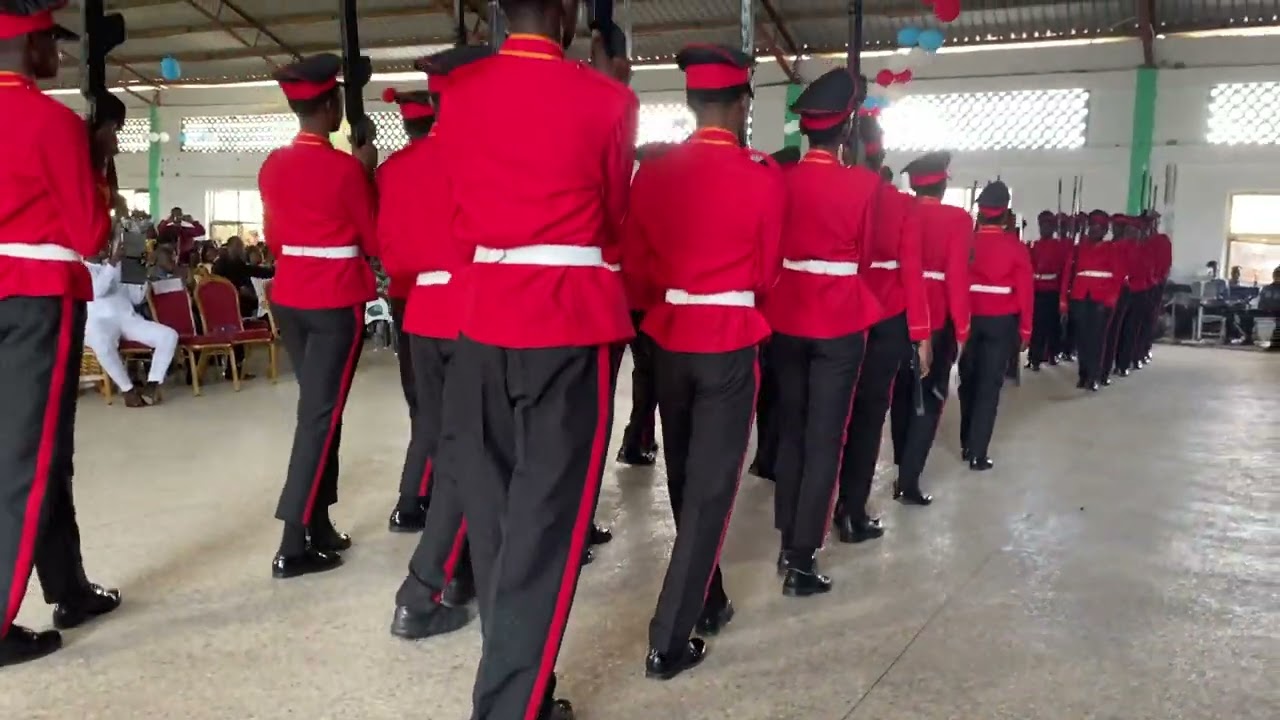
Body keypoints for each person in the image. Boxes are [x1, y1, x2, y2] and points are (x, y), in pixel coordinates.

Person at [435, 3, 636, 716]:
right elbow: (615, 219)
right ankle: (510, 706)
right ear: (567, 14)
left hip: (486, 312)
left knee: (493, 519)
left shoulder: (459, 95)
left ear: (499, 12)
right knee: (547, 524)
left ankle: (527, 687)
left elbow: (458, 216)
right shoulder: (609, 99)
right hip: (569, 316)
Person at [623, 42, 781, 679]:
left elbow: (636, 270)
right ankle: (670, 635)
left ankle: (708, 594)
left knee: (687, 474)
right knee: (712, 488)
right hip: (727, 336)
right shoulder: (762, 176)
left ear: (690, 103)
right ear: (742, 102)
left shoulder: (653, 174)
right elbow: (768, 272)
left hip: (668, 334)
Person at [0, 0, 122, 668]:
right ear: (36, 48)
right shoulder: (51, 122)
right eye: (55, 45)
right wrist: (98, 160)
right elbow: (89, 235)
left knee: (35, 451)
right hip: (36, 300)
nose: (59, 57)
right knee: (31, 458)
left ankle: (68, 586)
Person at [380, 47, 492, 643]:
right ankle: (427, 588)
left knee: (452, 443)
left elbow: (392, 257)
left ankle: (462, 574)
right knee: (473, 453)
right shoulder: (489, 153)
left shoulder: (397, 168)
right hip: (478, 313)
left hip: (423, 312)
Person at [258, 53, 379, 579]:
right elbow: (373, 238)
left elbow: (276, 237)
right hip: (333, 299)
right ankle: (292, 541)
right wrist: (367, 177)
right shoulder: (345, 169)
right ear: (331, 105)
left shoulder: (272, 165)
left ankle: (320, 523)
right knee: (320, 416)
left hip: (290, 296)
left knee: (319, 409)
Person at [763, 68, 877, 595]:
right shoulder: (863, 185)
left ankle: (789, 540)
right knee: (825, 439)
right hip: (837, 320)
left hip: (786, 316)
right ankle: (803, 559)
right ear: (847, 126)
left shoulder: (779, 180)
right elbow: (869, 257)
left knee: (791, 431)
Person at [834, 118, 931, 544]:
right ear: (880, 151)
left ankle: (809, 521)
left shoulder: (830, 192)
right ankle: (851, 510)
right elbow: (912, 270)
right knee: (869, 416)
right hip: (885, 320)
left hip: (834, 313)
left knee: (827, 418)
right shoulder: (901, 204)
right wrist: (922, 331)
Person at [379, 80, 444, 530]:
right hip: (450, 296)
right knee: (445, 405)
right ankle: (417, 497)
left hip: (406, 296)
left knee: (421, 400)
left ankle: (417, 494)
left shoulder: (388, 171)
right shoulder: (457, 160)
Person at [889, 151, 971, 503]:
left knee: (901, 394)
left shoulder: (900, 212)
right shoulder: (957, 219)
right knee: (930, 397)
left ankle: (900, 463)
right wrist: (963, 327)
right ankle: (908, 481)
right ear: (942, 184)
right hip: (936, 318)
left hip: (896, 311)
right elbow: (956, 275)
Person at [957, 181, 1033, 471]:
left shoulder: (968, 244)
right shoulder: (1015, 248)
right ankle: (978, 452)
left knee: (969, 381)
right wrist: (1026, 330)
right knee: (989, 387)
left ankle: (966, 443)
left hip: (970, 319)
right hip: (1001, 323)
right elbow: (1025, 292)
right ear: (1004, 215)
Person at [84, 246, 179, 407]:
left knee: (169, 335)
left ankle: (153, 384)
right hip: (98, 322)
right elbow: (96, 291)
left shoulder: (118, 265)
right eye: (101, 242)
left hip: (128, 318)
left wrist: (142, 271)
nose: (105, 246)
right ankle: (128, 389)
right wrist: (112, 264)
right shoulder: (80, 267)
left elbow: (136, 298)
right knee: (101, 343)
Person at [1064, 210, 1122, 392]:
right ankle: (1083, 374)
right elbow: (1069, 272)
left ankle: (1094, 375)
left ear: (1105, 230)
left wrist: (1111, 299)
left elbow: (1117, 277)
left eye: (1098, 227)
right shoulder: (1079, 247)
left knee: (1096, 339)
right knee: (1082, 338)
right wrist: (1064, 299)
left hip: (1100, 298)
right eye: (1092, 226)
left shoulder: (1112, 249)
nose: (1093, 230)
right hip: (1080, 295)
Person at [1027, 210, 1070, 370]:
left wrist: (1062, 296)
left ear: (1052, 227)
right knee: (1035, 326)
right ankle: (1034, 358)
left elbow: (1064, 271)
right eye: (1041, 225)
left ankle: (1053, 354)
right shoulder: (1034, 245)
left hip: (1052, 290)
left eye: (1047, 225)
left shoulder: (1060, 247)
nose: (1044, 228)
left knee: (1052, 326)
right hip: (1036, 290)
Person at [1099, 214, 1137, 384]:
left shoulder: (1129, 246)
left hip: (1122, 290)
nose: (1116, 229)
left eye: (1120, 226)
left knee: (1116, 330)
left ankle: (1114, 366)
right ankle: (1101, 365)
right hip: (1104, 290)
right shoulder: (1109, 245)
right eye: (1114, 226)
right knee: (1104, 331)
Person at [212, 235, 275, 317]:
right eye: (240, 247)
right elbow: (256, 272)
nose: (242, 250)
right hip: (237, 304)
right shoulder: (234, 264)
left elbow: (256, 271)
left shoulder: (219, 263)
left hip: (223, 304)